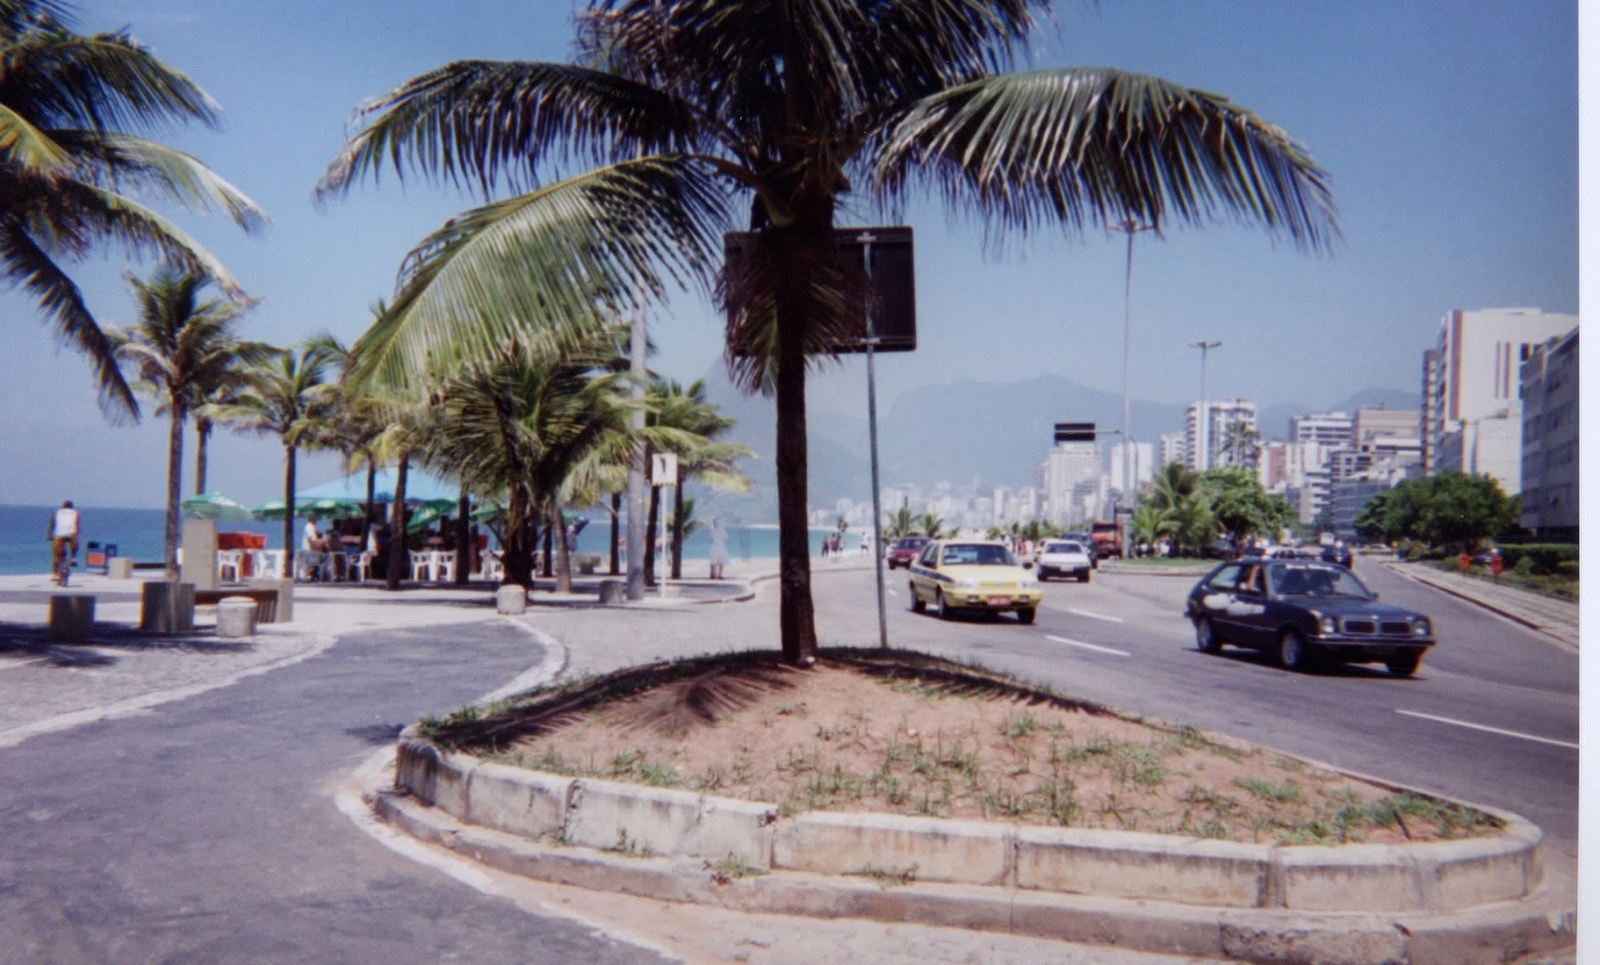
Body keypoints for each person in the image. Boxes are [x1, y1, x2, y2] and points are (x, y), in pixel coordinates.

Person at [47, 500, 79, 584]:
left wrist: (50, 535)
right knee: (74, 541)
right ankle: (73, 558)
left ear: (62, 506)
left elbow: (52, 524)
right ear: (71, 507)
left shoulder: (57, 512)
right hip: (71, 534)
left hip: (59, 534)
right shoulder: (75, 513)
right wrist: (76, 536)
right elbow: (76, 525)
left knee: (57, 555)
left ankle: (55, 574)